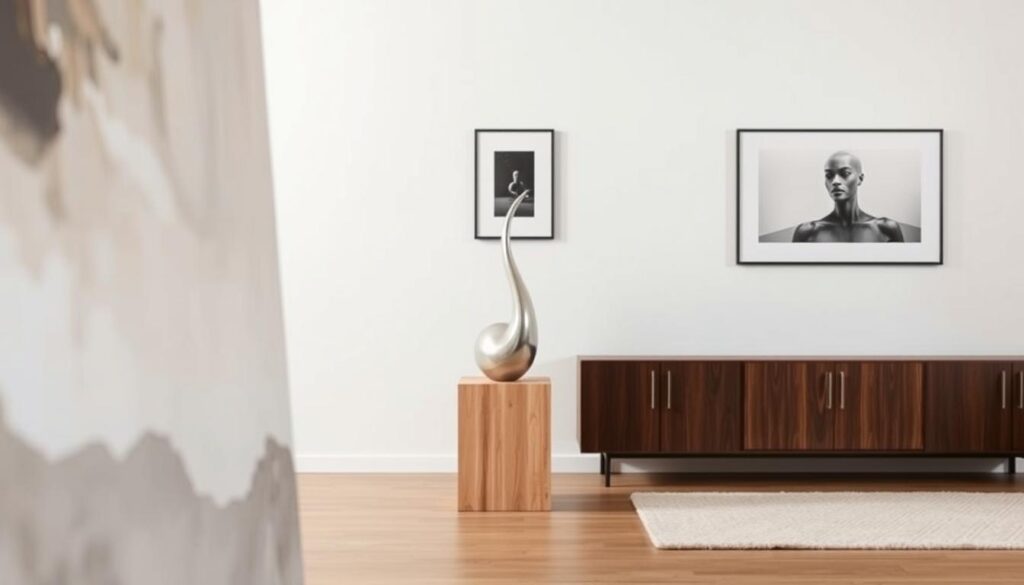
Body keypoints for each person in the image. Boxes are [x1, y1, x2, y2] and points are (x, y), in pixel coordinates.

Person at [793, 151, 904, 243]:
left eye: (845, 173)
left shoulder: (886, 229)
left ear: (860, 179)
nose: (835, 181)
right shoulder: (807, 233)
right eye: (829, 176)